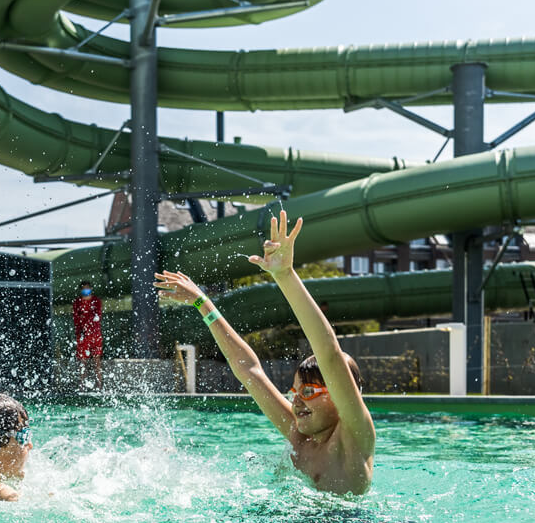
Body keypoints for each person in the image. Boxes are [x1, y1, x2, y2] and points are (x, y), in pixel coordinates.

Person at [154, 210, 375, 495]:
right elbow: (248, 368)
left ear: (344, 395)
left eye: (308, 392)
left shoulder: (354, 439)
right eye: (295, 392)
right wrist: (202, 303)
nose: (296, 402)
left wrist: (285, 275)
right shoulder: (299, 435)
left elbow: (329, 352)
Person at [72, 280, 104, 390]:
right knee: (82, 362)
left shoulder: (96, 301)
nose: (86, 290)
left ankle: (99, 385)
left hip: (95, 335)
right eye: (84, 288)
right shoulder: (77, 302)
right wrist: (80, 333)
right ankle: (81, 386)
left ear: (90, 289)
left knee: (97, 362)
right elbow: (76, 319)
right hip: (83, 335)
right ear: (81, 290)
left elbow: (98, 315)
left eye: (88, 288)